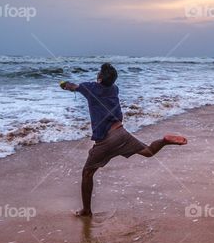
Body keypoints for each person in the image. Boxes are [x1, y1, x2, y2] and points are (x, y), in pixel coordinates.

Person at [60, 63, 187, 217]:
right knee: (148, 151)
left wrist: (64, 84)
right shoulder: (114, 89)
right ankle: (164, 141)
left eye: (99, 73)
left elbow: (73, 86)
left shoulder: (91, 88)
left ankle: (86, 211)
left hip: (106, 140)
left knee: (87, 173)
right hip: (121, 132)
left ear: (99, 78)